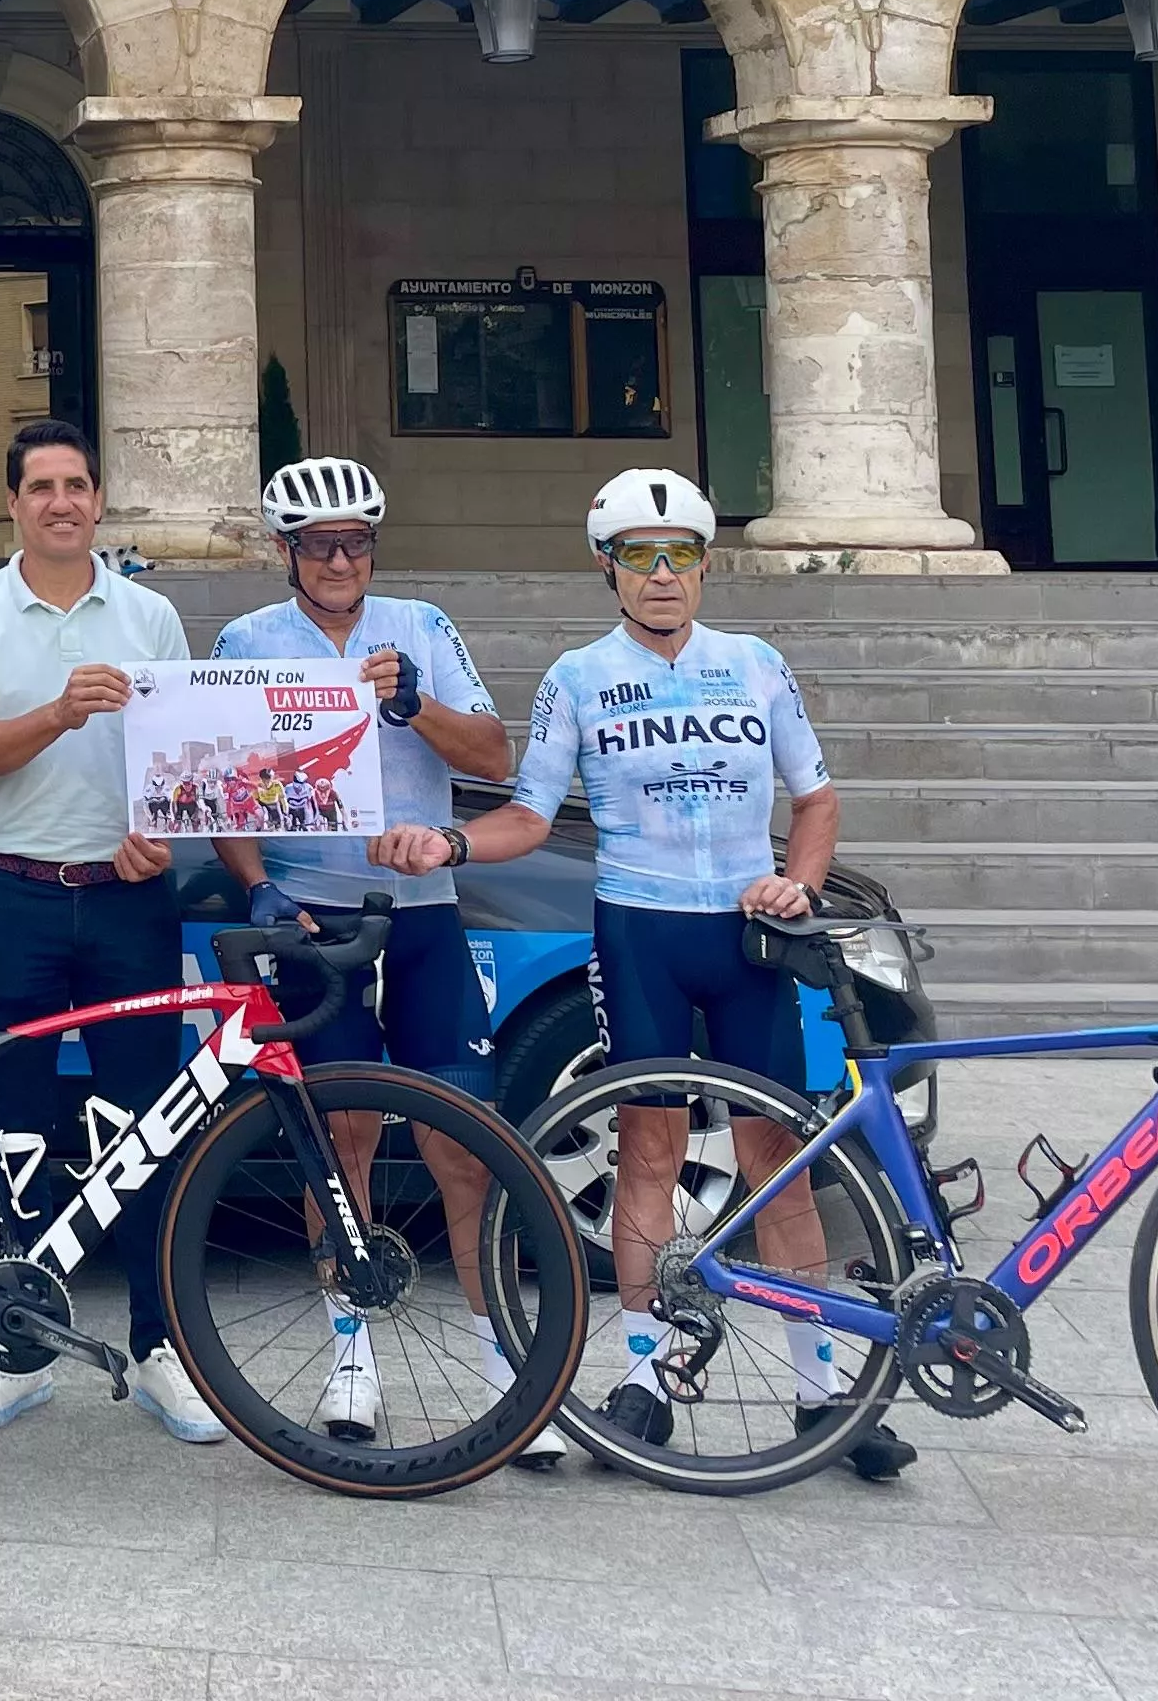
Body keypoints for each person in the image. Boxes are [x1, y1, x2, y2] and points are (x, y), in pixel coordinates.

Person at [376, 466, 916, 1483]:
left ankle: (818, 1390)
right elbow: (531, 816)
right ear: (607, 568)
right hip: (638, 933)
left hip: (747, 935)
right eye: (638, 557)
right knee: (649, 1154)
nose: (662, 575)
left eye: (680, 556)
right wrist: (447, 845)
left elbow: (815, 799)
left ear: (705, 565)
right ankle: (645, 1380)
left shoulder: (755, 664)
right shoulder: (576, 677)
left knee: (776, 1157)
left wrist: (797, 885)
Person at [210, 456, 545, 1454]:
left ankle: (501, 1360)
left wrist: (409, 709)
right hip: (312, 920)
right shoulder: (245, 642)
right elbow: (217, 785)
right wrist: (254, 885)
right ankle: (351, 1359)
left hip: (423, 911)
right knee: (340, 1139)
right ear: (285, 553)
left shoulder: (423, 625)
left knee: (460, 1146)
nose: (340, 560)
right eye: (319, 545)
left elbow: (493, 758)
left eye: (356, 542)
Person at [0, 419, 225, 1446]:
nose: (61, 501)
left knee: (144, 1128)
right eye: (41, 486)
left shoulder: (149, 614)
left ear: (99, 501)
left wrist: (162, 833)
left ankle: (156, 1348)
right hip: (10, 894)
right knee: (10, 1125)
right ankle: (14, 1349)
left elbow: (185, 763)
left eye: (77, 484)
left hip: (128, 898)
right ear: (12, 504)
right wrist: (56, 713)